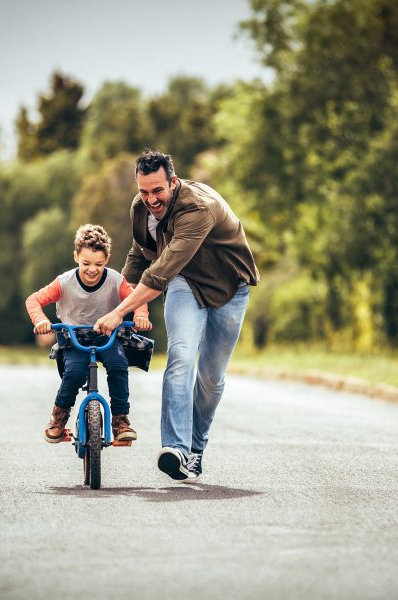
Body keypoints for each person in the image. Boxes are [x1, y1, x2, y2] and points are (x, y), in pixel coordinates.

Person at [94, 150, 259, 482]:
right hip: (186, 283)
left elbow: (159, 274)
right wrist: (111, 300)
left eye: (158, 190)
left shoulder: (197, 209)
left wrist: (119, 312)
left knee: (211, 378)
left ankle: (195, 451)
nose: (151, 199)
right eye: (143, 191)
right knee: (181, 356)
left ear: (173, 181)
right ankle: (176, 449)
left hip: (230, 287)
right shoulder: (141, 208)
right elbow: (140, 255)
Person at [25, 224, 152, 444]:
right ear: (76, 257)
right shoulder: (64, 282)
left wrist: (141, 316)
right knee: (73, 373)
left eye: (99, 264)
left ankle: (120, 420)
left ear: (107, 259)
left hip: (107, 335)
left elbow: (136, 298)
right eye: (86, 263)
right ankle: (58, 419)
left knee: (118, 365)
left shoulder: (115, 280)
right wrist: (41, 321)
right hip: (74, 338)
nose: (92, 269)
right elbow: (34, 300)